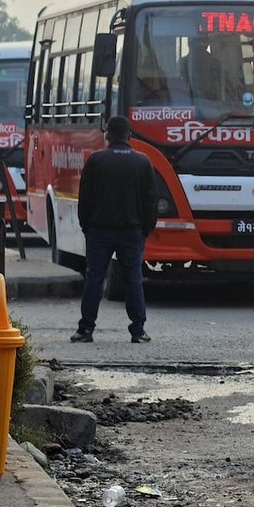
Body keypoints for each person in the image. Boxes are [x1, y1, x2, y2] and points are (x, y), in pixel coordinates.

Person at [71, 116, 159, 344]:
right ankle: (138, 331)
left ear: (107, 135)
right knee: (133, 280)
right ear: (129, 135)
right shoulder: (142, 162)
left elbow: (85, 199)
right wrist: (145, 229)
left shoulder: (96, 160)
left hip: (99, 231)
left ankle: (85, 329)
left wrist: (86, 226)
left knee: (94, 278)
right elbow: (150, 202)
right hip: (131, 232)